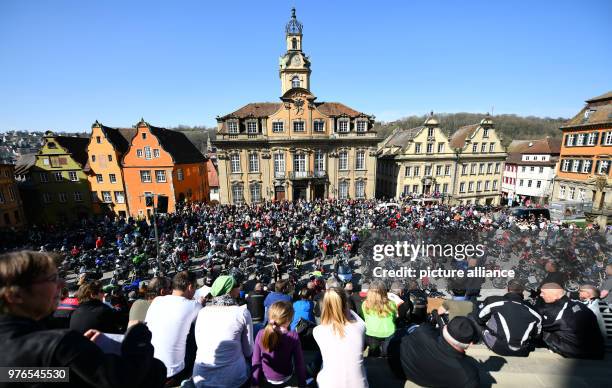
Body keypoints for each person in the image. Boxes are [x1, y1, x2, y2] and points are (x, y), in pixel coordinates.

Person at [0, 250, 166, 387]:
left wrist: (79, 358)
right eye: (52, 279)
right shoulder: (58, 344)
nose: (62, 285)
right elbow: (127, 378)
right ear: (14, 295)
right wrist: (137, 334)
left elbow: (38, 375)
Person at [192, 275, 253, 387]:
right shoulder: (242, 313)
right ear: (230, 290)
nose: (239, 288)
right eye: (237, 286)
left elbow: (199, 343)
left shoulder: (202, 312)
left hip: (201, 377)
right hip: (233, 379)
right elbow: (248, 351)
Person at [145, 271, 202, 385]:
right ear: (190, 287)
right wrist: (200, 304)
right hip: (174, 372)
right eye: (195, 287)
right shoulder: (195, 305)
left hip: (150, 366)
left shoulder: (157, 300)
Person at [400, 317, 480, 388]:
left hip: (398, 368)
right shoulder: (469, 375)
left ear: (445, 328)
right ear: (471, 344)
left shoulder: (423, 331)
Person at [313, 287, 368, 388]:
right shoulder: (360, 327)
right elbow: (357, 318)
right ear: (346, 305)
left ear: (325, 306)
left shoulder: (318, 331)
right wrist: (348, 310)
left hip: (328, 384)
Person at [472, 280, 542, 356]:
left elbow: (479, 319)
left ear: (507, 289)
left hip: (498, 347)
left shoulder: (493, 301)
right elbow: (537, 335)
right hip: (522, 350)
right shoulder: (534, 310)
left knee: (473, 316)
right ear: (523, 291)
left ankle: (475, 342)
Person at [536, 282, 604, 359]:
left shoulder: (561, 309)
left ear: (555, 295)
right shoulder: (578, 305)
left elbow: (544, 326)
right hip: (596, 351)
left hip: (580, 353)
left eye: (543, 293)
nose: (540, 295)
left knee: (540, 331)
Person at [252, 301, 307, 387]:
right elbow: (299, 363)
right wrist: (302, 384)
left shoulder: (260, 333)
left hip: (265, 377)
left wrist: (255, 383)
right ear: (289, 320)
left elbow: (256, 360)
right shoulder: (293, 335)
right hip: (286, 377)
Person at [361, 282, 397, 357]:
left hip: (371, 333)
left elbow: (365, 318)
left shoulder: (365, 304)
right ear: (384, 292)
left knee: (373, 354)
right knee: (387, 356)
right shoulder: (392, 304)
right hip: (389, 333)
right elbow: (394, 318)